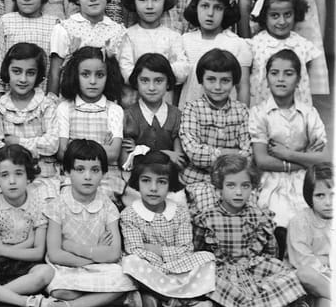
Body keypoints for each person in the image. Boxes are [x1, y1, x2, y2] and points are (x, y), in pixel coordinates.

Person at [193, 154, 311, 307]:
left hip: (252, 269)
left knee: (288, 275)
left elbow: (271, 251)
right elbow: (197, 250)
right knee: (207, 282)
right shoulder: (207, 218)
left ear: (252, 187)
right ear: (219, 187)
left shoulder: (258, 216)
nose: (239, 192)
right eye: (231, 185)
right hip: (222, 272)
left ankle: (238, 306)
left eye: (245, 186)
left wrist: (264, 271)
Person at [38, 140, 137, 307]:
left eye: (95, 170)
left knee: (126, 278)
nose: (88, 176)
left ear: (104, 174)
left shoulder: (108, 206)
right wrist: (95, 255)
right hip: (68, 267)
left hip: (102, 267)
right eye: (80, 169)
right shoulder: (57, 205)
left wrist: (76, 248)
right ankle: (116, 298)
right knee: (59, 290)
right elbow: (55, 254)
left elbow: (114, 253)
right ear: (67, 172)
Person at [120, 150, 215, 307]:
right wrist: (160, 262)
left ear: (170, 184)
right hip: (149, 269)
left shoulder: (180, 213)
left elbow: (186, 250)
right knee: (131, 262)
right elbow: (135, 250)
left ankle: (157, 296)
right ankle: (181, 303)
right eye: (146, 180)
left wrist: (156, 251)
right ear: (137, 182)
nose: (153, 188)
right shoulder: (130, 214)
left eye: (161, 182)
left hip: (177, 268)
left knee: (207, 258)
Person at [250, 49, 329, 250]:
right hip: (272, 180)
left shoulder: (309, 113)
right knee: (278, 219)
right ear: (266, 78)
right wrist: (305, 158)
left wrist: (287, 154)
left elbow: (325, 157)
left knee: (312, 219)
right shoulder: (259, 113)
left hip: (305, 179)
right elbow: (262, 160)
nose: (281, 79)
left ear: (299, 79)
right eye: (274, 73)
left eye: (288, 73)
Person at [0, 145, 54, 307]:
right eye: (4, 175)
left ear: (28, 175)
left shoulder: (39, 203)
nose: (12, 181)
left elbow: (38, 253)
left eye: (19, 173)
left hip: (27, 266)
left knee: (46, 272)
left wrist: (4, 249)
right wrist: (27, 243)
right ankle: (25, 301)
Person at [179, 49, 251, 214]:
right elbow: (194, 153)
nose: (217, 87)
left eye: (225, 80)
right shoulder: (192, 109)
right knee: (209, 210)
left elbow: (248, 154)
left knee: (249, 209)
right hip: (199, 180)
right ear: (201, 80)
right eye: (211, 79)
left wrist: (213, 154)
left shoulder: (242, 111)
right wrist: (232, 153)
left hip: (235, 179)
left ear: (234, 82)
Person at [0, 43, 60, 197]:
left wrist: (17, 142)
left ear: (38, 74)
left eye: (30, 73)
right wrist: (33, 148)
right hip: (11, 175)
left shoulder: (46, 105)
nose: (23, 79)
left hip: (43, 175)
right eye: (16, 71)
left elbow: (52, 144)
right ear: (7, 71)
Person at [56, 46, 125, 203]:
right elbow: (61, 152)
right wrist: (100, 148)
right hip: (73, 176)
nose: (93, 81)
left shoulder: (114, 110)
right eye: (85, 74)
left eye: (100, 75)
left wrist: (74, 145)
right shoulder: (65, 108)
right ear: (75, 75)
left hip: (105, 177)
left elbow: (113, 154)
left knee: (102, 200)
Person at [120, 53, 186, 207]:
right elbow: (126, 163)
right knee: (134, 203)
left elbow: (178, 161)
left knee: (178, 202)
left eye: (158, 81)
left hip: (167, 179)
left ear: (168, 83)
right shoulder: (128, 115)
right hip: (138, 180)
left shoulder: (176, 115)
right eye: (144, 80)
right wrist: (166, 153)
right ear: (136, 82)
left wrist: (140, 151)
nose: (151, 87)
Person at [47, 0, 125, 95]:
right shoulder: (65, 28)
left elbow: (119, 74)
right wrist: (51, 102)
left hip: (106, 100)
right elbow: (55, 72)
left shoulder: (117, 31)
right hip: (70, 99)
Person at [118, 0, 189, 101]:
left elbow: (183, 70)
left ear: (164, 0)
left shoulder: (173, 37)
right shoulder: (127, 35)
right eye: (143, 0)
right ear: (133, 2)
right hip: (134, 104)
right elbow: (126, 72)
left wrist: (151, 73)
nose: (150, 6)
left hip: (165, 104)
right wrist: (161, 74)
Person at [180, 0, 250, 108]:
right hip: (189, 114)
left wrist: (241, 116)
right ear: (196, 8)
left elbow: (243, 87)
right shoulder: (184, 41)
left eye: (218, 8)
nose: (210, 13)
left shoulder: (237, 44)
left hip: (226, 115)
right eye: (205, 6)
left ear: (226, 11)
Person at [0, 0, 60, 96]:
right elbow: (0, 61)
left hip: (43, 100)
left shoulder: (54, 24)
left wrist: (50, 100)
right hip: (10, 98)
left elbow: (54, 69)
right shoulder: (6, 21)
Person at [248, 0, 319, 107]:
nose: (282, 21)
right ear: (264, 16)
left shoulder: (302, 45)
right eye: (275, 16)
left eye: (287, 14)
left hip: (294, 108)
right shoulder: (255, 44)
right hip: (263, 107)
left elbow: (304, 81)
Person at [288, 164, 333, 307]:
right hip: (311, 280)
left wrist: (327, 260)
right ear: (309, 196)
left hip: (328, 282)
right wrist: (326, 262)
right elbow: (302, 261)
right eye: (320, 195)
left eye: (333, 194)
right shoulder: (300, 222)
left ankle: (317, 303)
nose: (328, 202)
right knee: (305, 273)